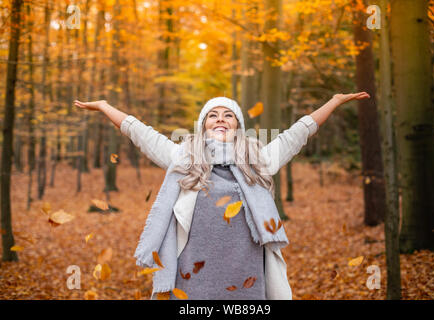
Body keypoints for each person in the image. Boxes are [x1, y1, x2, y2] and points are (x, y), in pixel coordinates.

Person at [74, 92, 369, 300]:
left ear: (237, 126)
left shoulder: (258, 159)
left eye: (228, 115)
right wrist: (104, 107)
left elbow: (297, 134)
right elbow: (140, 133)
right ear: (203, 126)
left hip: (246, 277)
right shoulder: (183, 158)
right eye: (212, 115)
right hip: (190, 278)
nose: (220, 119)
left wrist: (334, 101)